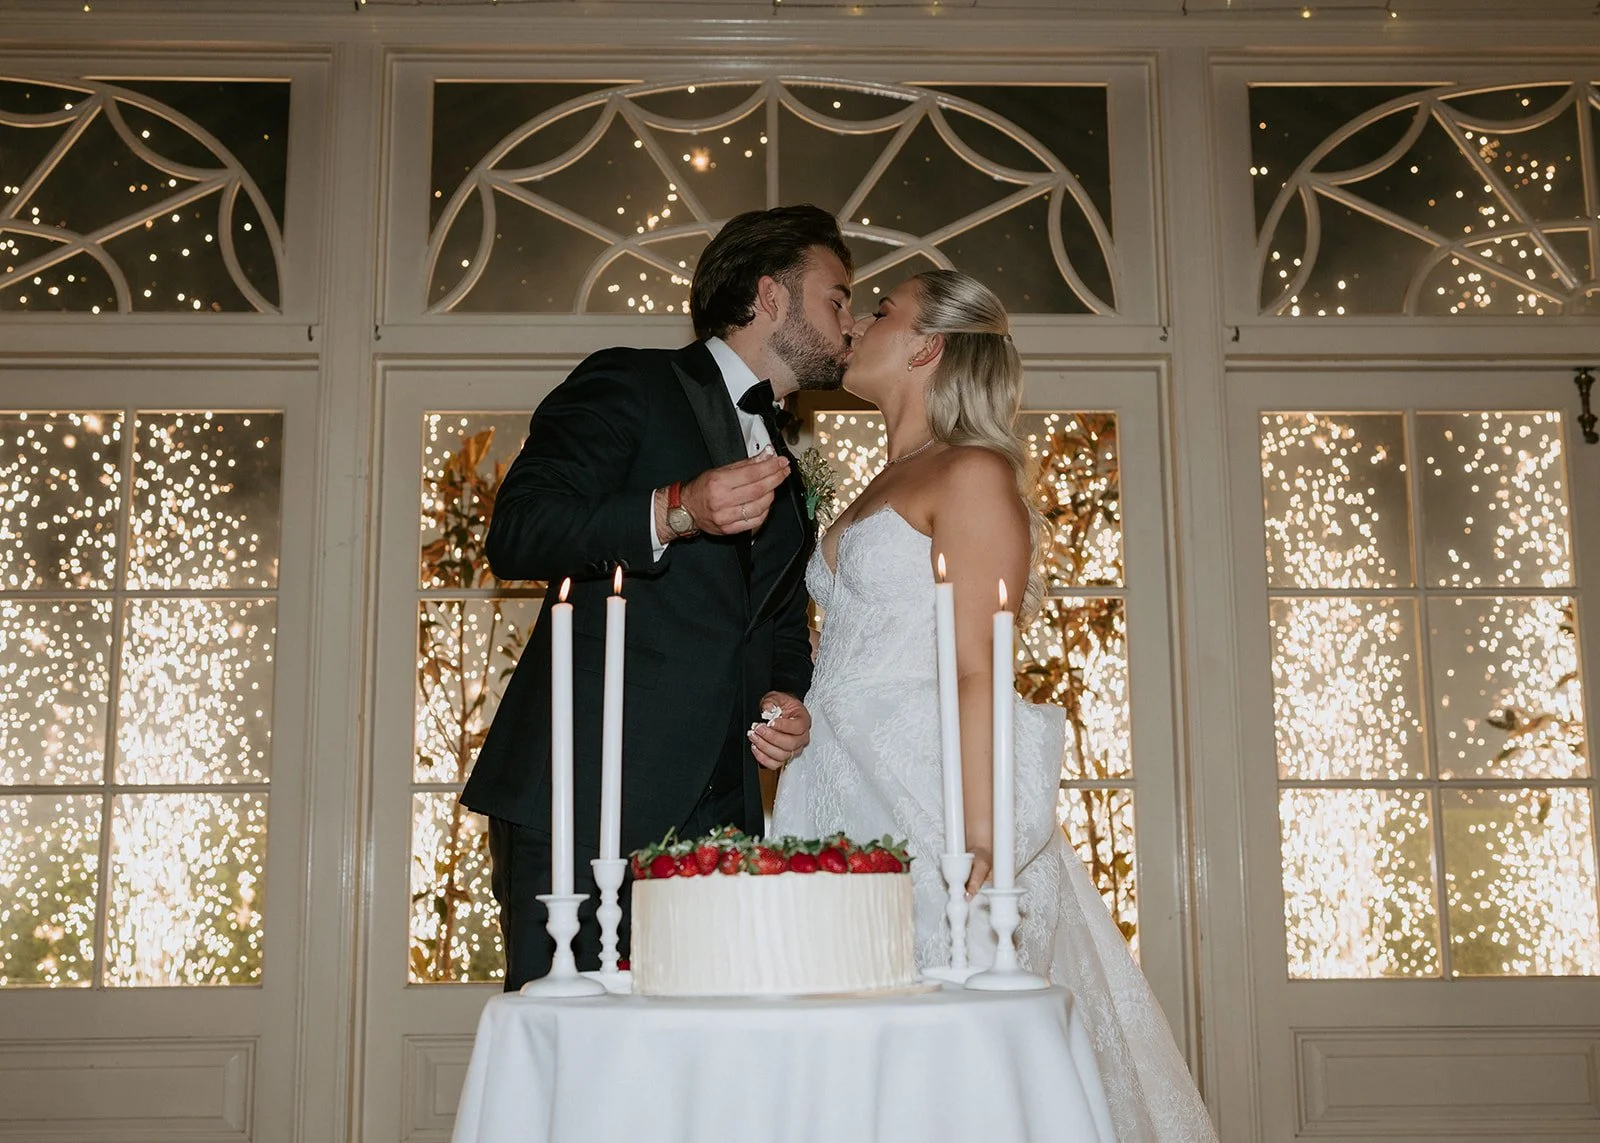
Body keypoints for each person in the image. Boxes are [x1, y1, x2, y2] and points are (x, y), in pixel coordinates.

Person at [770, 269, 1218, 1141]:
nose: (859, 321)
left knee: (940, 1054)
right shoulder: (880, 478)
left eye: (884, 312)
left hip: (924, 791)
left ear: (929, 345)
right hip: (835, 782)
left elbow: (979, 665)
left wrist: (981, 833)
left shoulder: (971, 470)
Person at [463, 204, 854, 989]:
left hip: (721, 814)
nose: (849, 326)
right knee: (572, 1061)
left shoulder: (785, 453)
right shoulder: (632, 381)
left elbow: (774, 620)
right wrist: (674, 509)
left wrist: (789, 695)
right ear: (771, 295)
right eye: (837, 299)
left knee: (691, 1071)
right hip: (583, 796)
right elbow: (520, 528)